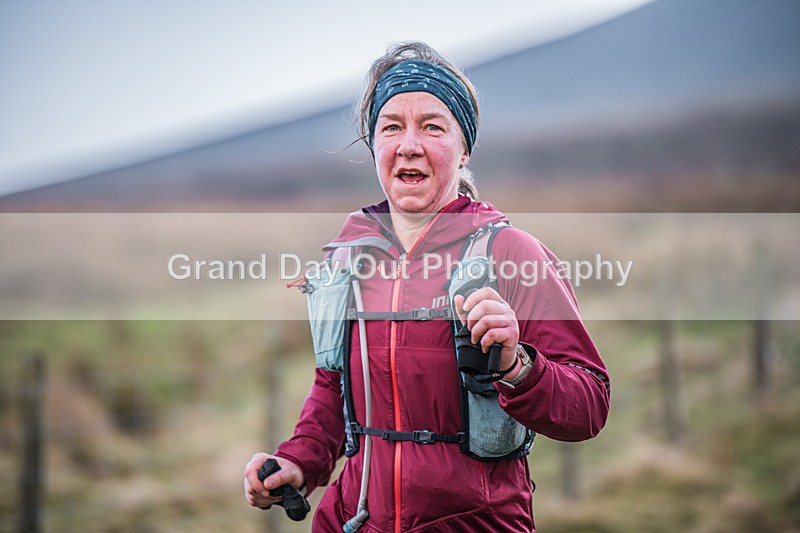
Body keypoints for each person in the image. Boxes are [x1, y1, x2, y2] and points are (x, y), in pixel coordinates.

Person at [244, 41, 610, 532]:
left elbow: (588, 407)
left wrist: (517, 365)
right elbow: (335, 389)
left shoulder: (509, 254)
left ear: (463, 153)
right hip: (353, 521)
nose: (409, 144)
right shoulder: (349, 259)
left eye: (433, 127)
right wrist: (300, 462)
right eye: (391, 127)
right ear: (375, 147)